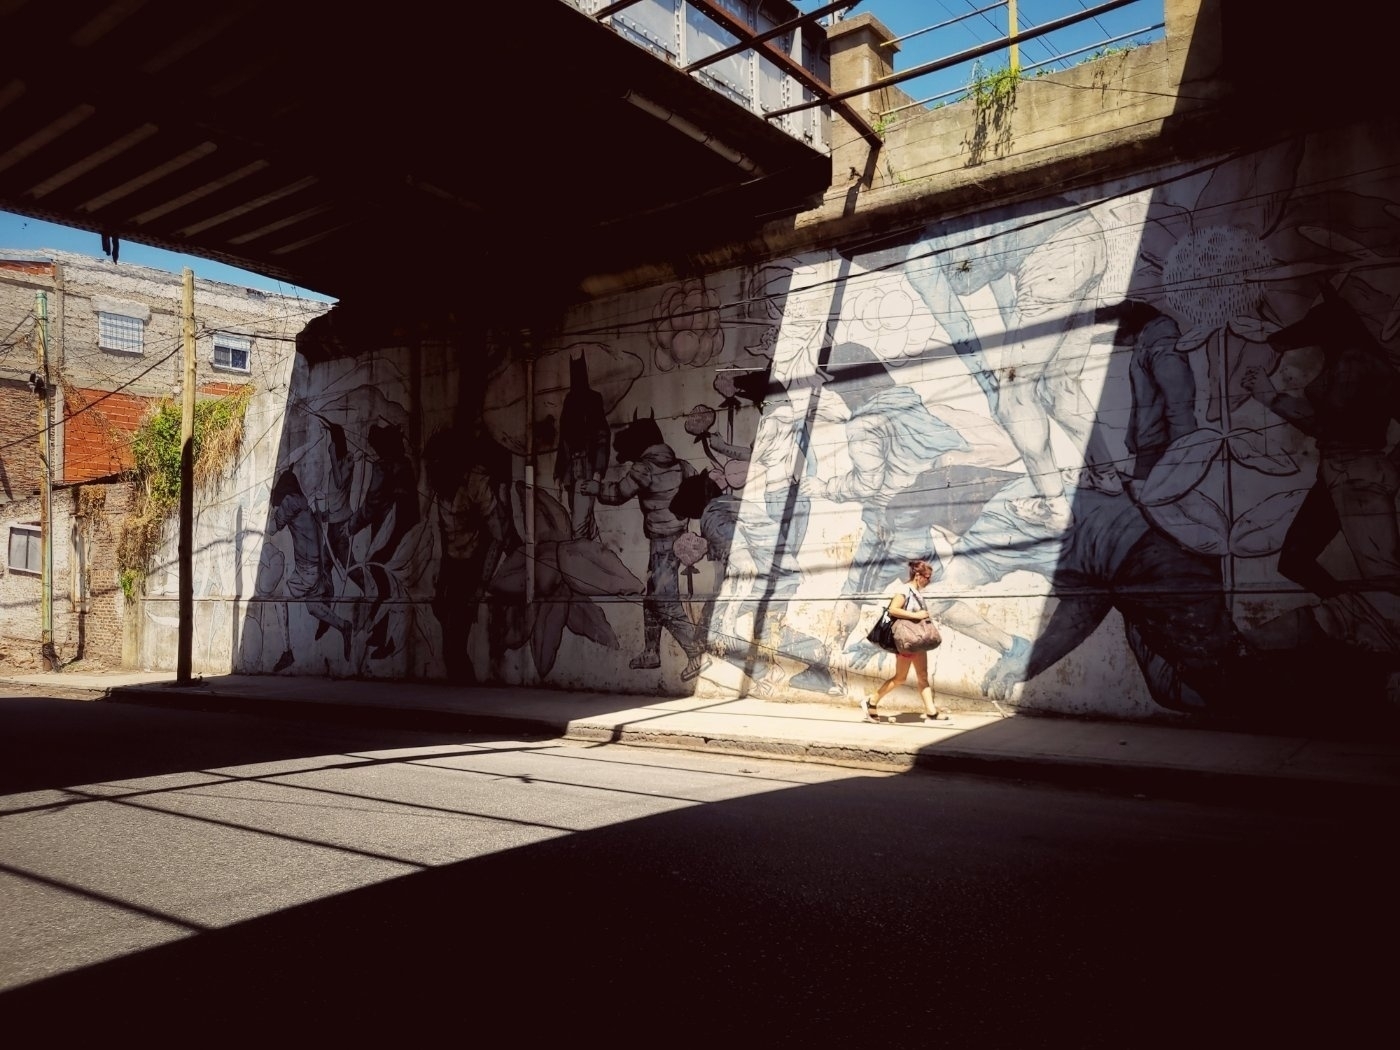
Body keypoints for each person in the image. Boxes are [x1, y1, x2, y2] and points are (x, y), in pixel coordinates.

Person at [862, 560, 947, 723]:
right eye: (927, 577)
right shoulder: (904, 590)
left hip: (918, 641)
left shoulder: (917, 593)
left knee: (923, 676)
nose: (928, 581)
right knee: (900, 678)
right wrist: (917, 615)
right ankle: (871, 701)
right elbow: (893, 610)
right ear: (917, 575)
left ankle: (931, 713)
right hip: (906, 642)